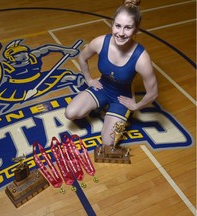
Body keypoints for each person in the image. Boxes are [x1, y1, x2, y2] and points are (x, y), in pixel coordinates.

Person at [65, 0, 158, 146]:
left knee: (108, 143)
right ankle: (101, 105)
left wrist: (135, 106)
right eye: (118, 26)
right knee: (70, 113)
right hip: (102, 87)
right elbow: (82, 58)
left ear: (136, 29)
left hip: (122, 97)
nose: (121, 33)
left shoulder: (141, 58)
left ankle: (119, 112)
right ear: (112, 24)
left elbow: (152, 93)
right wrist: (89, 80)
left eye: (128, 28)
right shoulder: (100, 42)